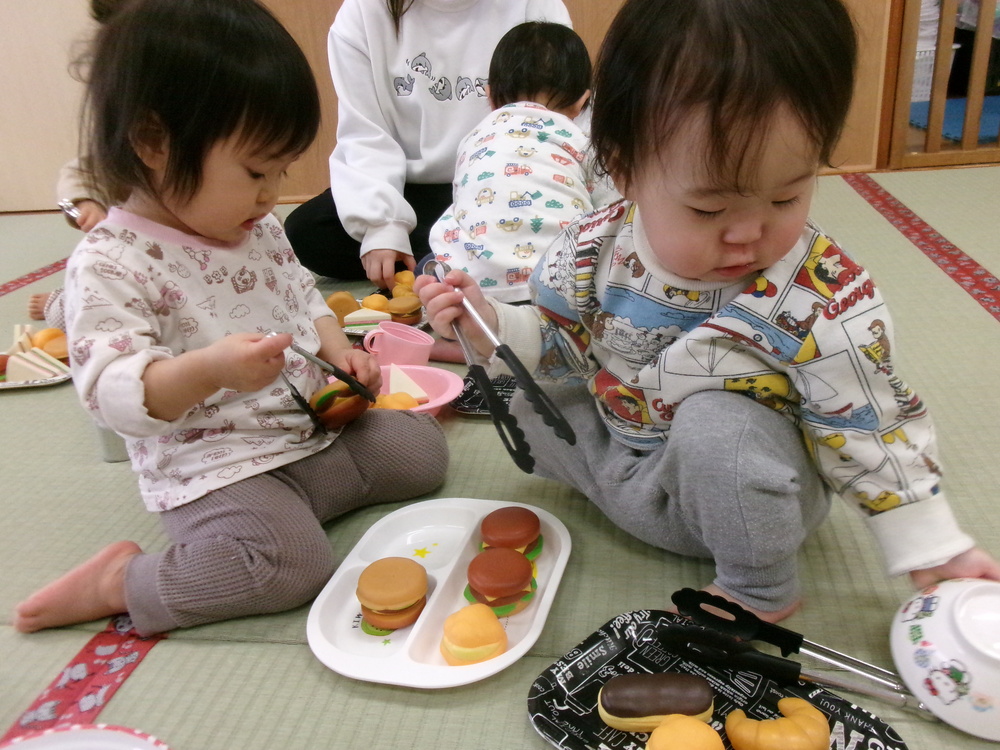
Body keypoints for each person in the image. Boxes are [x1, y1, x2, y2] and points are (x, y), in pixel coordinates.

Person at [416, 0, 1000, 622]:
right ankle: (620, 491)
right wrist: (490, 327)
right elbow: (565, 346)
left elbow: (869, 415)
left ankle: (759, 588)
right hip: (629, 453)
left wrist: (928, 542)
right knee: (522, 396)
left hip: (749, 498)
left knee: (719, 429)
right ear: (624, 168)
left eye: (786, 196)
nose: (749, 234)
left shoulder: (818, 294)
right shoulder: (589, 248)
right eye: (708, 209)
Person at [13, 0, 448, 637]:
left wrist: (342, 352)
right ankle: (123, 582)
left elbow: (301, 296)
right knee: (290, 568)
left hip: (305, 433)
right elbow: (112, 397)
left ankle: (295, 505)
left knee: (420, 454)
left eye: (280, 170)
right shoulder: (109, 262)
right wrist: (207, 370)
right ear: (153, 143)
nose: (272, 193)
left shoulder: (257, 225)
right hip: (215, 467)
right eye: (254, 171)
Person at [283, 0, 572, 291]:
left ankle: (462, 257)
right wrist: (383, 226)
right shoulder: (363, 11)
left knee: (568, 224)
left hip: (509, 180)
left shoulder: (535, 5)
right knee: (308, 231)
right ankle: (486, 258)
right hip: (413, 194)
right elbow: (365, 133)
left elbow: (557, 112)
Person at [427, 21, 618, 305]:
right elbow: (611, 207)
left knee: (433, 254)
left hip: (474, 290)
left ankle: (459, 334)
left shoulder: (473, 138)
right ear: (582, 103)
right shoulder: (580, 140)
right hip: (561, 288)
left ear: (490, 96)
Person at [28, 0, 119, 330]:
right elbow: (77, 173)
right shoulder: (118, 148)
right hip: (126, 262)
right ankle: (66, 302)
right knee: (101, 302)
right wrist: (83, 204)